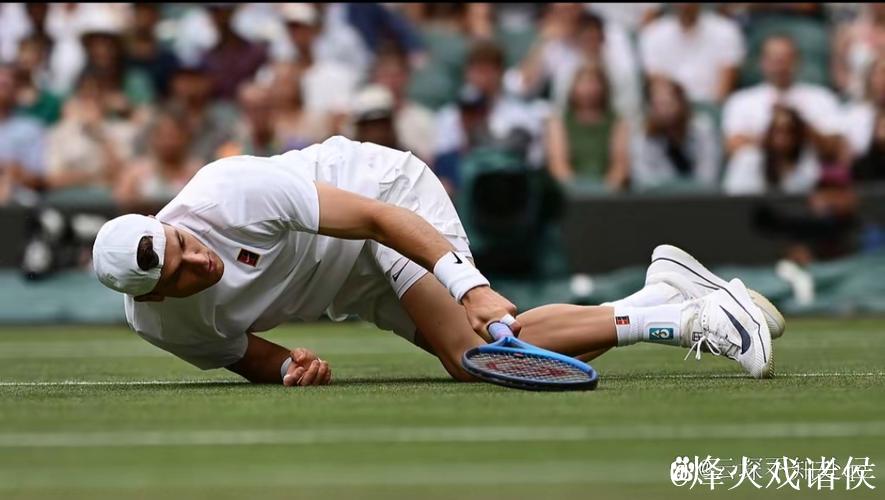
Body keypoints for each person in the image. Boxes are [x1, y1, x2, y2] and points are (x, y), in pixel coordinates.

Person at [92, 136, 784, 387]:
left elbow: (375, 220)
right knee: (484, 358)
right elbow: (246, 354)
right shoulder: (162, 327)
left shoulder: (228, 190)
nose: (199, 261)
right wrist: (289, 369)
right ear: (152, 298)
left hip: (382, 202)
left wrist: (467, 285)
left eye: (184, 243)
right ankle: (665, 295)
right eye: (179, 274)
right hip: (349, 283)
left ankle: (694, 320)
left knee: (472, 352)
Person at [721, 35, 843, 159]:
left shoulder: (822, 97)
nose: (780, 66)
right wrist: (774, 135)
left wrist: (799, 127)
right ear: (762, 62)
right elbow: (731, 146)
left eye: (786, 59)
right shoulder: (741, 100)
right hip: (758, 165)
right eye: (774, 59)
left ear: (798, 61)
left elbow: (834, 147)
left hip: (807, 165)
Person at [638, 3, 745, 104]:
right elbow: (658, 86)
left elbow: (723, 89)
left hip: (711, 107)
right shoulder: (653, 33)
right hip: (671, 109)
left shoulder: (726, 30)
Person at [545, 62, 629, 189]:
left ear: (603, 87)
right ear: (573, 87)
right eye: (583, 83)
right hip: (570, 192)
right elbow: (558, 165)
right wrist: (577, 189)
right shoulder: (558, 122)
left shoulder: (618, 122)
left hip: (608, 192)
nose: (588, 89)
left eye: (593, 83)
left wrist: (604, 191)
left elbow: (620, 164)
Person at [630, 78, 720, 191]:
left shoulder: (703, 130)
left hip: (699, 196)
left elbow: (708, 176)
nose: (664, 111)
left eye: (668, 103)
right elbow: (644, 181)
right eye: (657, 105)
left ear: (681, 103)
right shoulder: (643, 137)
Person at [723, 105, 823, 195]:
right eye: (777, 131)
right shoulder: (748, 159)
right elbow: (734, 197)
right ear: (768, 133)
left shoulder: (807, 160)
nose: (782, 138)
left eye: (789, 131)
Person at [114, 108, 202, 207]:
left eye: (173, 136)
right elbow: (121, 202)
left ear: (185, 137)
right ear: (153, 137)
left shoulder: (197, 171)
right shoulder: (135, 171)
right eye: (163, 135)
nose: (168, 141)